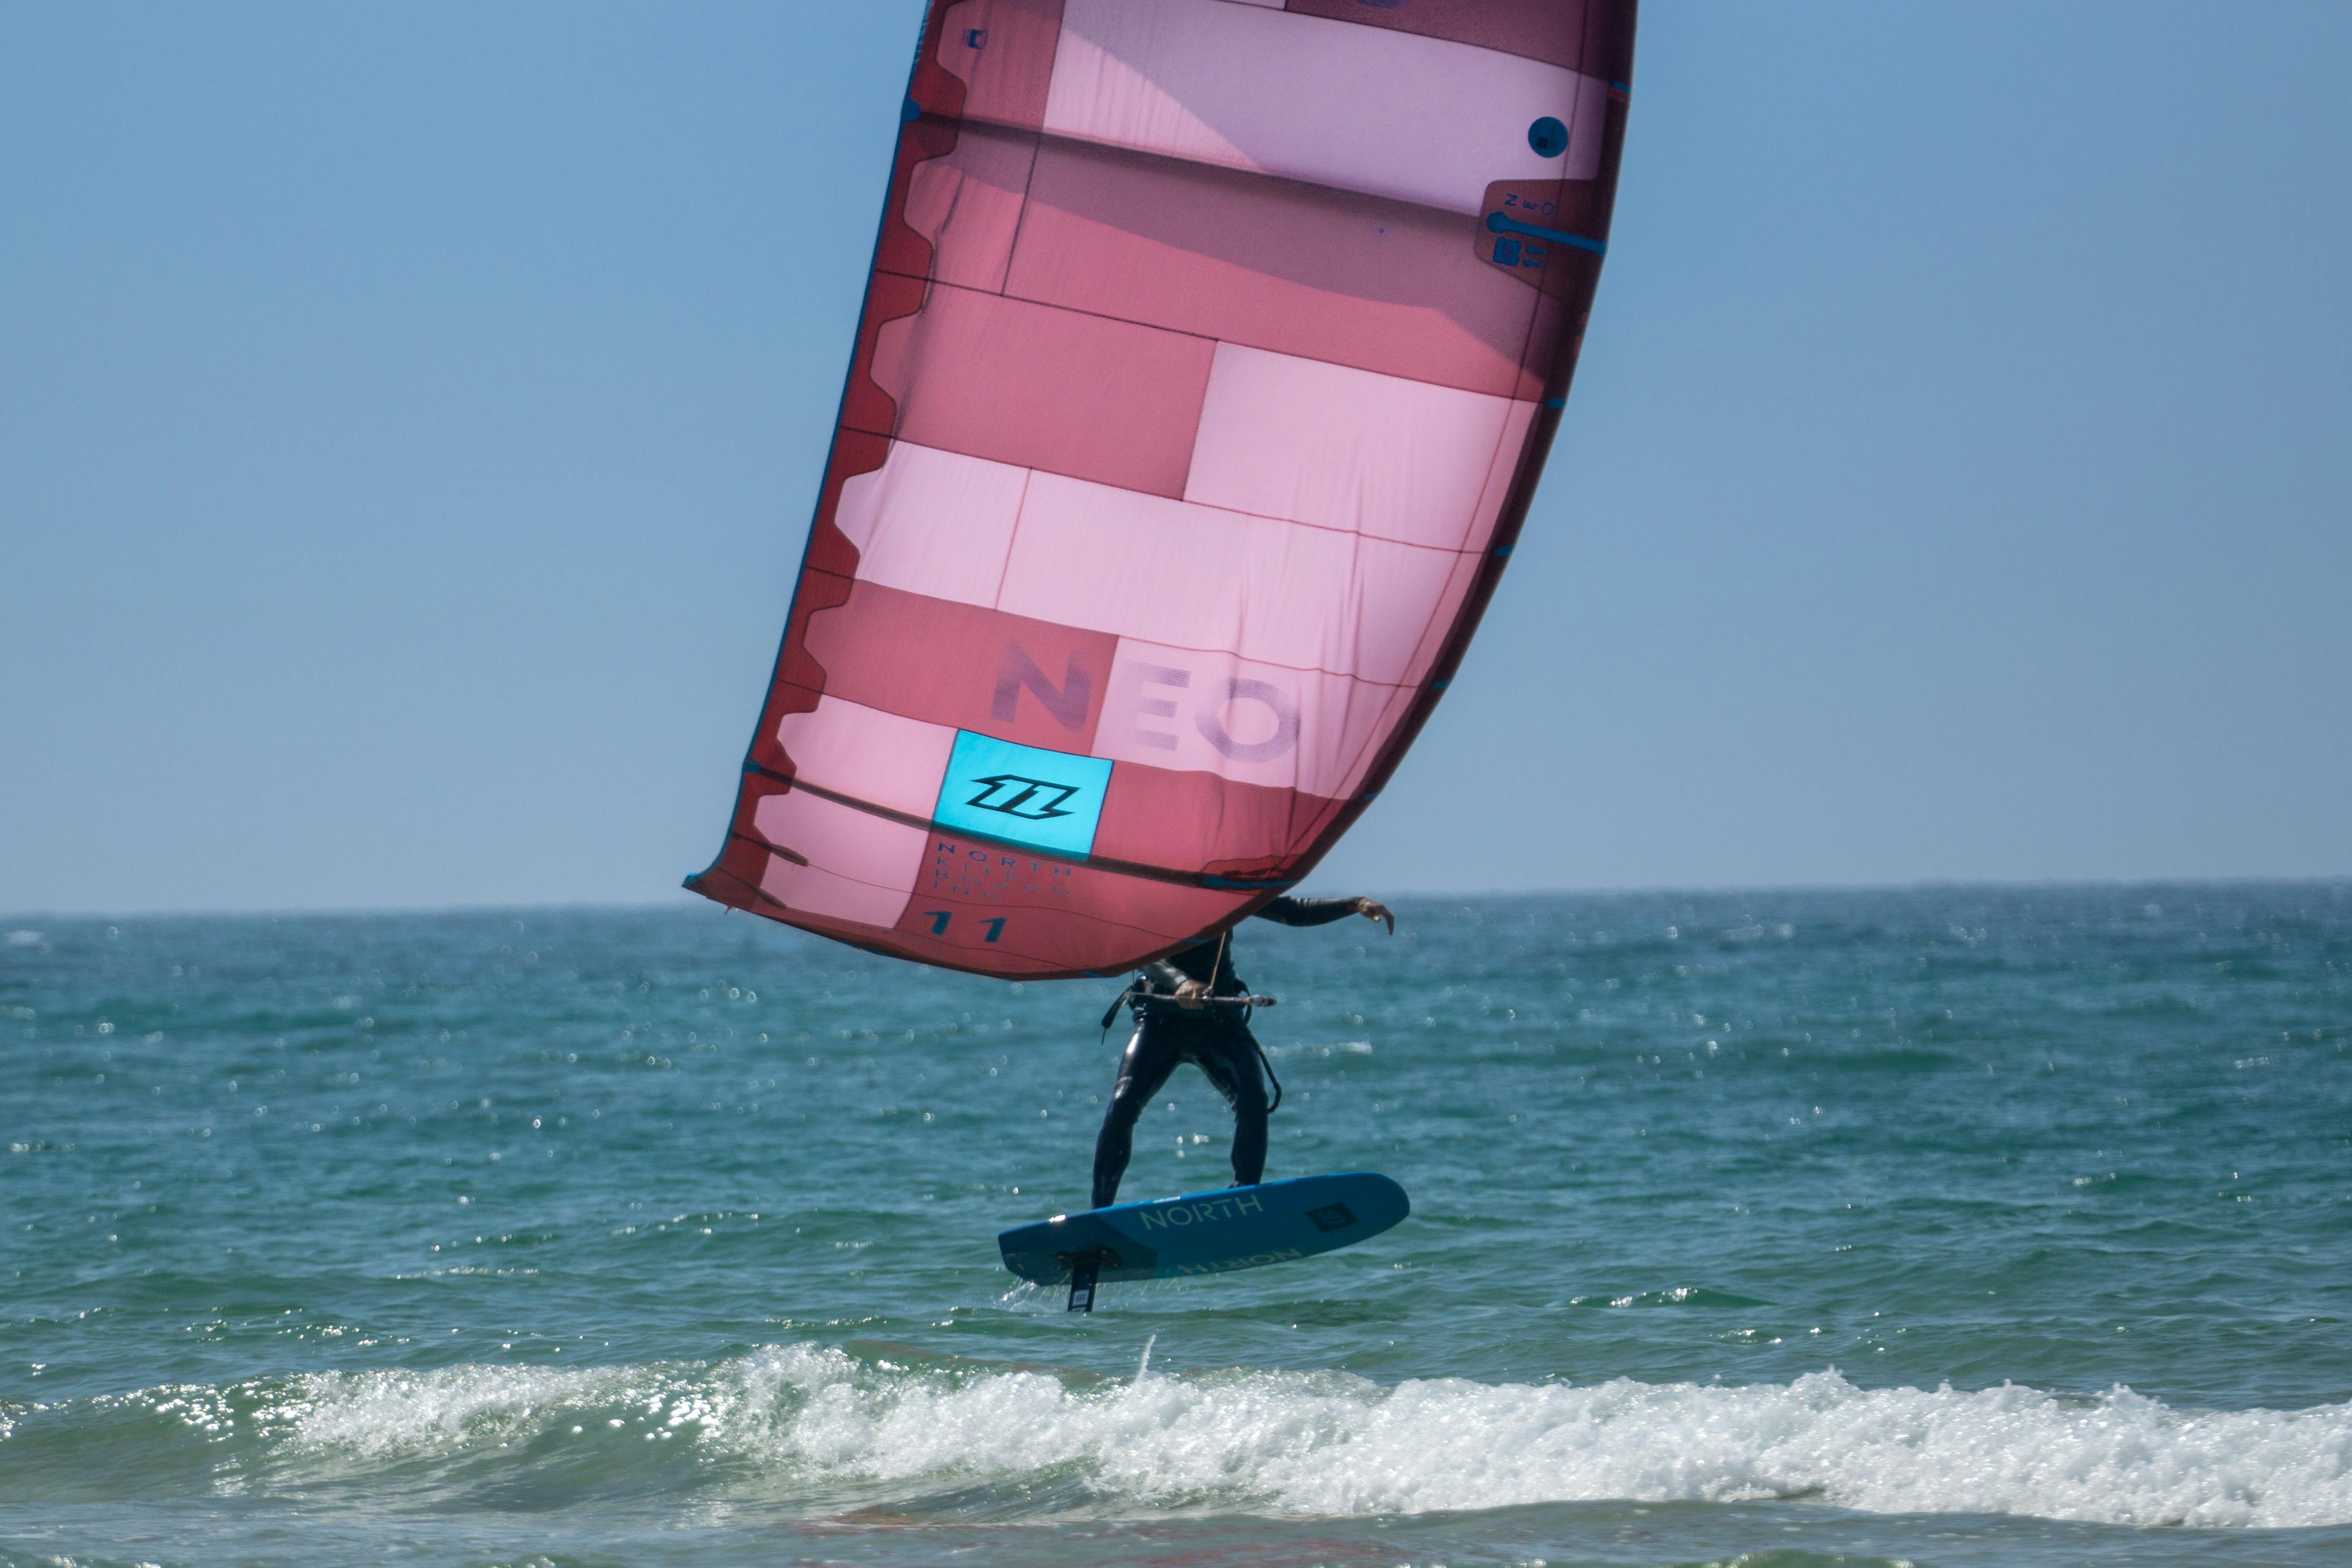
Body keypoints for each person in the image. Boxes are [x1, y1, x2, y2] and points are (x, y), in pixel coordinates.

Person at [1089, 895, 1395, 1210]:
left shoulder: (1224, 890)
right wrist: (1181, 982)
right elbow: (1141, 953)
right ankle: (1100, 1212)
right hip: (1160, 1019)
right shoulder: (1153, 890)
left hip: (1217, 1021)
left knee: (1253, 1098)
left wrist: (1354, 904)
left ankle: (1244, 1197)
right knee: (1123, 1103)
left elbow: (1292, 912)